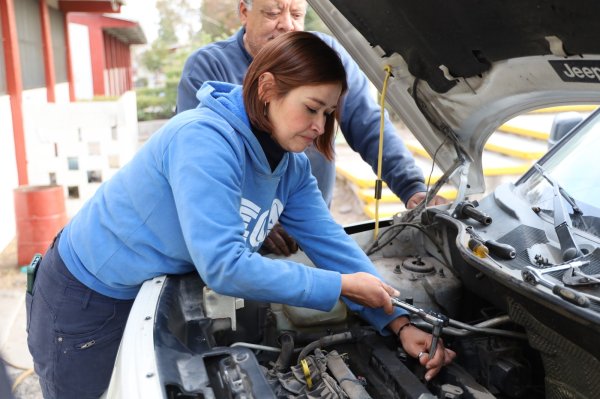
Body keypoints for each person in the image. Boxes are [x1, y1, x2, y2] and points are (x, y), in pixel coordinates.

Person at [27, 32, 454, 399]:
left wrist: (398, 322)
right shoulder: (203, 141)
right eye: (311, 108)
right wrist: (342, 286)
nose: (320, 127)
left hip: (152, 292)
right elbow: (224, 266)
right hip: (87, 296)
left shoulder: (291, 166)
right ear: (267, 88)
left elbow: (333, 246)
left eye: (328, 114)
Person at [177, 0, 447, 256]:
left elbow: (368, 124)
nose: (287, 25)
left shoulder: (326, 56)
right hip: (238, 238)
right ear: (244, 13)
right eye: (273, 13)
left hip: (311, 227)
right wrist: (252, 221)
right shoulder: (208, 67)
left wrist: (412, 187)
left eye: (296, 15)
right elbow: (197, 166)